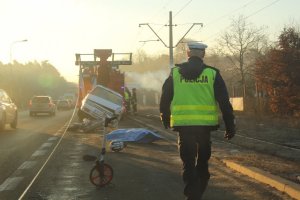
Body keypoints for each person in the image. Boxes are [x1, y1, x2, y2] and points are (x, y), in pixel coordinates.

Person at [159, 41, 235, 200]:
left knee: (188, 162)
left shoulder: (175, 73)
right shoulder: (212, 74)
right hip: (204, 128)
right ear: (203, 54)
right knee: (202, 163)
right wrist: (230, 125)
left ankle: (192, 195)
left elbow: (165, 98)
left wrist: (164, 117)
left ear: (187, 54)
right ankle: (197, 193)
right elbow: (224, 102)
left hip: (184, 126)